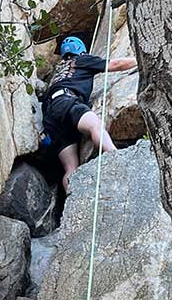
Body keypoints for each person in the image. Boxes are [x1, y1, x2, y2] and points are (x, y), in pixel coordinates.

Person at [41, 36, 137, 193]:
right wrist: (139, 59)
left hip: (51, 118)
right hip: (67, 101)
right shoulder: (82, 60)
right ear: (80, 50)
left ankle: (71, 201)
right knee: (95, 126)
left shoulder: (58, 72)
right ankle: (117, 158)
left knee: (71, 167)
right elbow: (115, 64)